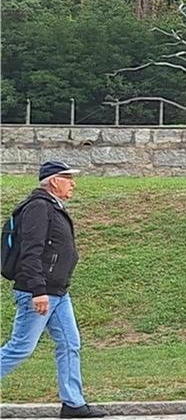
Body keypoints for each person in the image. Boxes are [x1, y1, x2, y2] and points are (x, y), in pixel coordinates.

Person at [0, 161, 107, 418]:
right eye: (68, 178)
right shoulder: (38, 207)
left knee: (70, 343)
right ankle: (73, 402)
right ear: (54, 181)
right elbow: (31, 252)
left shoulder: (53, 206)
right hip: (39, 292)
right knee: (20, 348)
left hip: (58, 292)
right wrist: (38, 291)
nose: (73, 184)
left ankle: (73, 404)